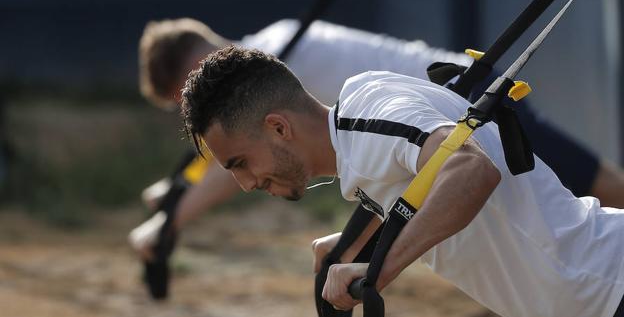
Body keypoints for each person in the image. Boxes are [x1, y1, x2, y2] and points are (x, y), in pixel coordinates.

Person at [129, 17, 624, 260]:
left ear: (193, 71)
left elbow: (237, 160)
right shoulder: (277, 38)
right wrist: (177, 193)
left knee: (596, 191)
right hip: (435, 123)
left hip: (468, 108)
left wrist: (171, 221)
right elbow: (230, 160)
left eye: (183, 101)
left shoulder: (277, 62)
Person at [181, 46, 624, 317]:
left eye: (240, 162)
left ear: (279, 128)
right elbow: (427, 192)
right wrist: (349, 247)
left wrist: (379, 268)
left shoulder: (364, 114)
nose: (244, 183)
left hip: (609, 283)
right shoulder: (362, 143)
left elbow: (471, 170)